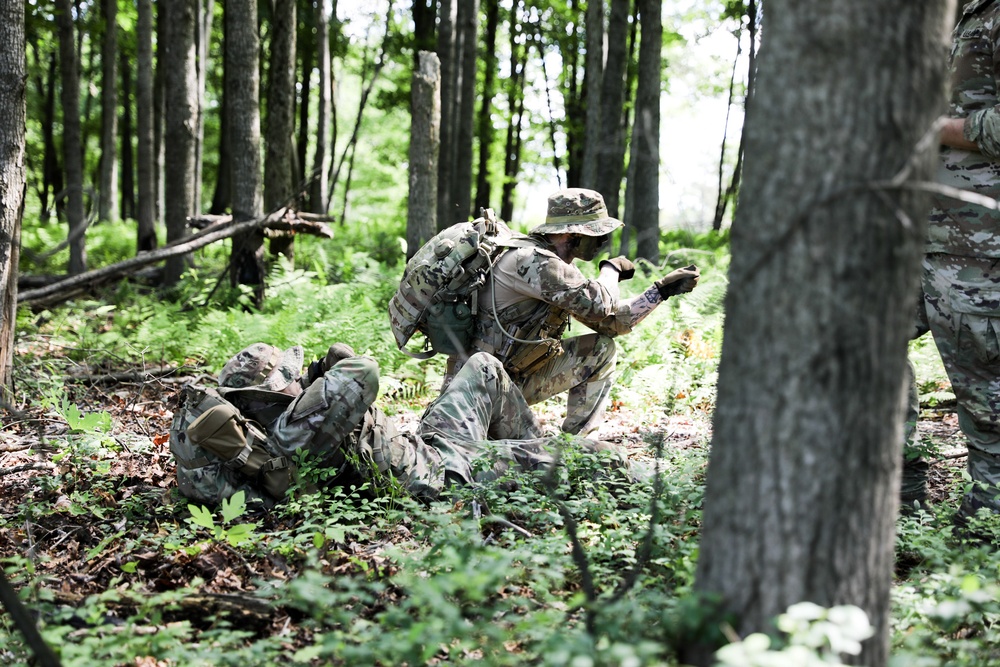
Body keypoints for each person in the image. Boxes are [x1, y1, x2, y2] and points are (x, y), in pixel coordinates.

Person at [170, 342, 629, 507]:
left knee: (485, 367)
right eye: (289, 379)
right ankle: (534, 464)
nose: (299, 379)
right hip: (447, 474)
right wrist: (329, 366)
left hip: (425, 445)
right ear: (271, 395)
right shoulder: (295, 431)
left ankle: (531, 455)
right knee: (598, 457)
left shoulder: (285, 426)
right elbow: (362, 371)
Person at [447, 187, 700, 437]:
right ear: (571, 235)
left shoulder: (552, 266)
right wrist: (611, 269)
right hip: (477, 394)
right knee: (533, 457)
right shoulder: (533, 261)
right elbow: (599, 305)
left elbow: (611, 324)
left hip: (506, 383)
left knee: (601, 349)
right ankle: (571, 454)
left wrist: (660, 292)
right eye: (597, 234)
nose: (603, 242)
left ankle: (577, 446)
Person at [922, 0, 1000, 521]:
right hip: (911, 233)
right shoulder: (947, 15)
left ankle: (989, 520)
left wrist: (939, 130)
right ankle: (898, 492)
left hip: (978, 247)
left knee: (986, 395)